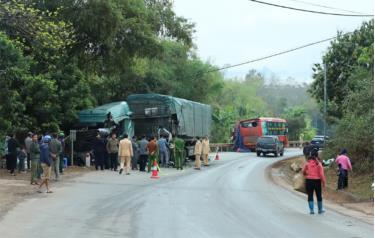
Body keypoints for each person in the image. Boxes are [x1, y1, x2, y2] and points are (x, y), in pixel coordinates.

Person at [302, 148, 326, 214]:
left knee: (310, 195)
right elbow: (321, 174)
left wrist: (306, 173)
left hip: (309, 181)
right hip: (317, 181)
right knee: (319, 195)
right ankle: (320, 210)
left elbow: (303, 171)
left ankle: (311, 210)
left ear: (310, 155)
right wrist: (324, 182)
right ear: (317, 155)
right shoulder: (319, 164)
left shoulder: (307, 163)